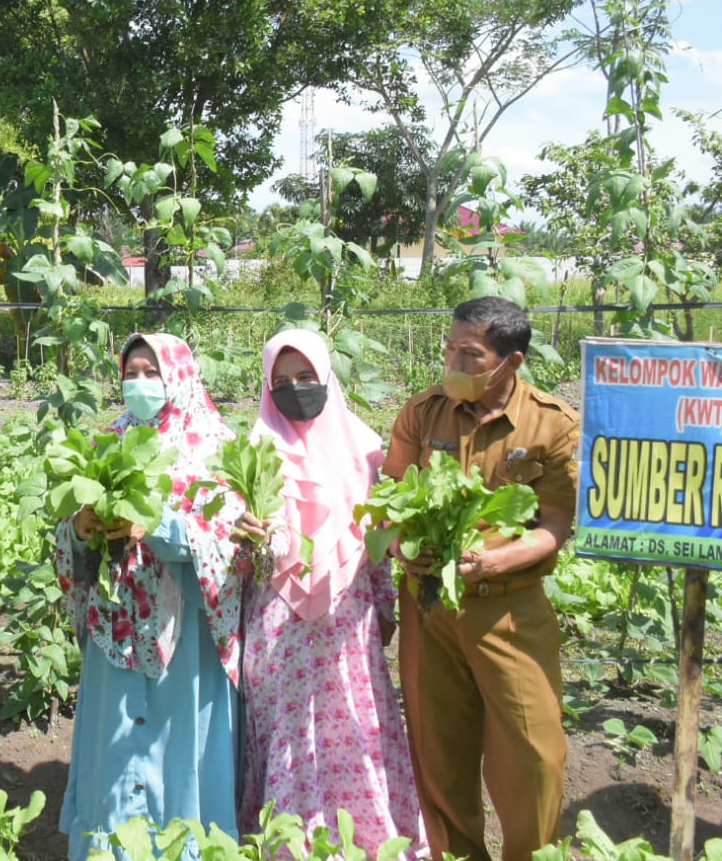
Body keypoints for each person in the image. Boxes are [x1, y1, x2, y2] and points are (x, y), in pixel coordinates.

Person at [384, 297, 578, 861]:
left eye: (470, 354)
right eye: (450, 349)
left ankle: (531, 853)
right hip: (430, 608)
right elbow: (391, 496)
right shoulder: (423, 411)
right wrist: (402, 545)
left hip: (509, 608)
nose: (454, 363)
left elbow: (554, 526)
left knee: (534, 754)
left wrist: (496, 560)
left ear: (510, 361)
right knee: (439, 753)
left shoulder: (551, 422)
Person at [234, 329, 425, 854]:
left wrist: (386, 607)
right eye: (282, 381)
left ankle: (364, 835)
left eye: (305, 378)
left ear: (327, 379)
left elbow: (380, 536)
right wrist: (245, 534)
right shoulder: (253, 449)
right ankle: (286, 840)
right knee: (286, 728)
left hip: (349, 613)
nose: (295, 389)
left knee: (353, 720)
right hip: (278, 619)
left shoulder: (364, 448)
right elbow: (237, 551)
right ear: (267, 388)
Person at [55, 332, 244, 860]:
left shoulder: (211, 444)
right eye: (130, 372)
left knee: (178, 750)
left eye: (151, 372)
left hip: (186, 637)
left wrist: (159, 527)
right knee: (114, 749)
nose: (139, 383)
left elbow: (229, 542)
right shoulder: (108, 439)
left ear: (179, 377)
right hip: (116, 622)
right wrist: (82, 526)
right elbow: (68, 533)